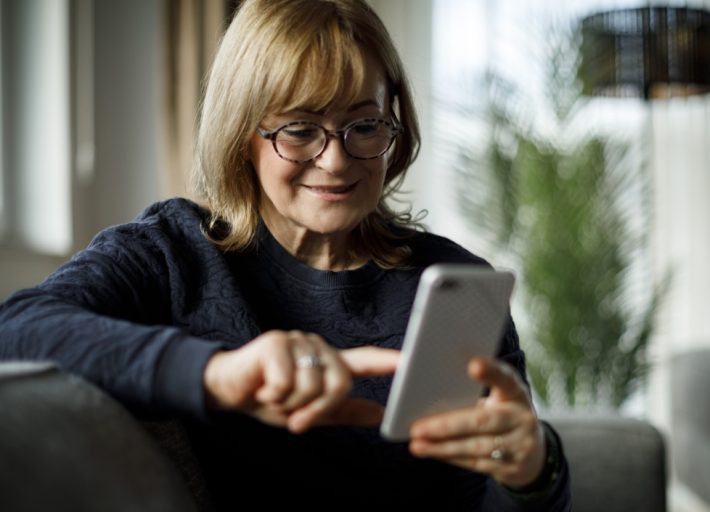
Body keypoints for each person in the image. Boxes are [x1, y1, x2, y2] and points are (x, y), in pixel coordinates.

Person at [0, 0, 571, 509]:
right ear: (242, 133)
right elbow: (18, 328)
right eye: (300, 130)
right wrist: (216, 374)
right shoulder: (173, 253)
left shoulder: (451, 284)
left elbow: (480, 494)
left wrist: (532, 470)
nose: (336, 161)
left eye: (364, 125)